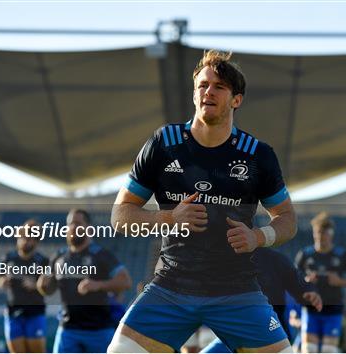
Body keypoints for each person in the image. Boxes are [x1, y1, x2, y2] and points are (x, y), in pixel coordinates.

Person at [108, 50, 297, 353]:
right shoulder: (163, 144)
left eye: (219, 86)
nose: (209, 91)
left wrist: (259, 236)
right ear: (194, 93)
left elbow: (287, 217)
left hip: (237, 291)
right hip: (171, 286)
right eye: (203, 85)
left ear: (236, 99)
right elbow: (120, 215)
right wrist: (168, 218)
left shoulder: (258, 154)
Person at [37, 209, 132, 353]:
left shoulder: (101, 254)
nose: (73, 227)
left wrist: (98, 285)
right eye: (70, 224)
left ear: (89, 228)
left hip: (99, 331)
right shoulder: (58, 257)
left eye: (78, 223)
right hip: (67, 330)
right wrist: (42, 285)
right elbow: (48, 290)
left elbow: (125, 282)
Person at [201, 247, 323, 353]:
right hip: (235, 334)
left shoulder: (274, 259)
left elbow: (299, 285)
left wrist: (310, 292)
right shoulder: (221, 259)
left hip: (270, 338)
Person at [295, 212, 346, 353]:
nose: (320, 237)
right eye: (317, 233)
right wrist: (306, 281)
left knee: (328, 351)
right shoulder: (305, 255)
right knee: (309, 350)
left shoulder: (343, 255)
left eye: (324, 233)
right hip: (311, 309)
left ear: (331, 234)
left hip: (333, 310)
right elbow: (292, 281)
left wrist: (340, 281)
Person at [0, 219, 48, 353]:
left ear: (36, 241)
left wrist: (35, 285)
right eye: (23, 236)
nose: (25, 240)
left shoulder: (43, 261)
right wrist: (0, 281)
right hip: (13, 313)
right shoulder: (8, 258)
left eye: (30, 238)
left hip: (34, 313)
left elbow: (50, 285)